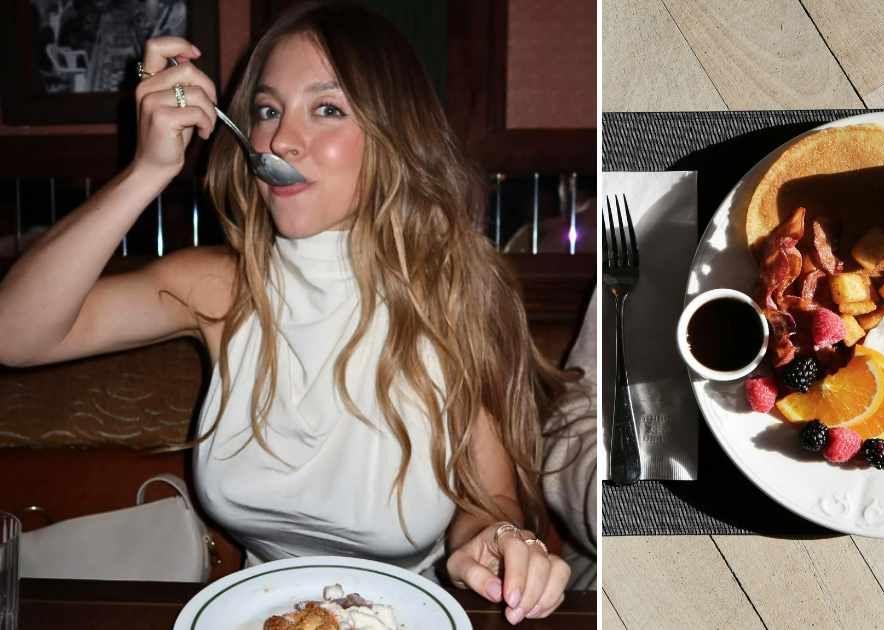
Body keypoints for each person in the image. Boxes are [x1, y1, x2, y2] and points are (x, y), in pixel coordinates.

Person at [0, 2, 581, 624]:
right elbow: (16, 334)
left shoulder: (450, 297)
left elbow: (486, 498)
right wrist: (148, 171)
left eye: (327, 109)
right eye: (268, 110)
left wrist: (492, 541)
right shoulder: (223, 287)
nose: (279, 139)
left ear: (393, 136)